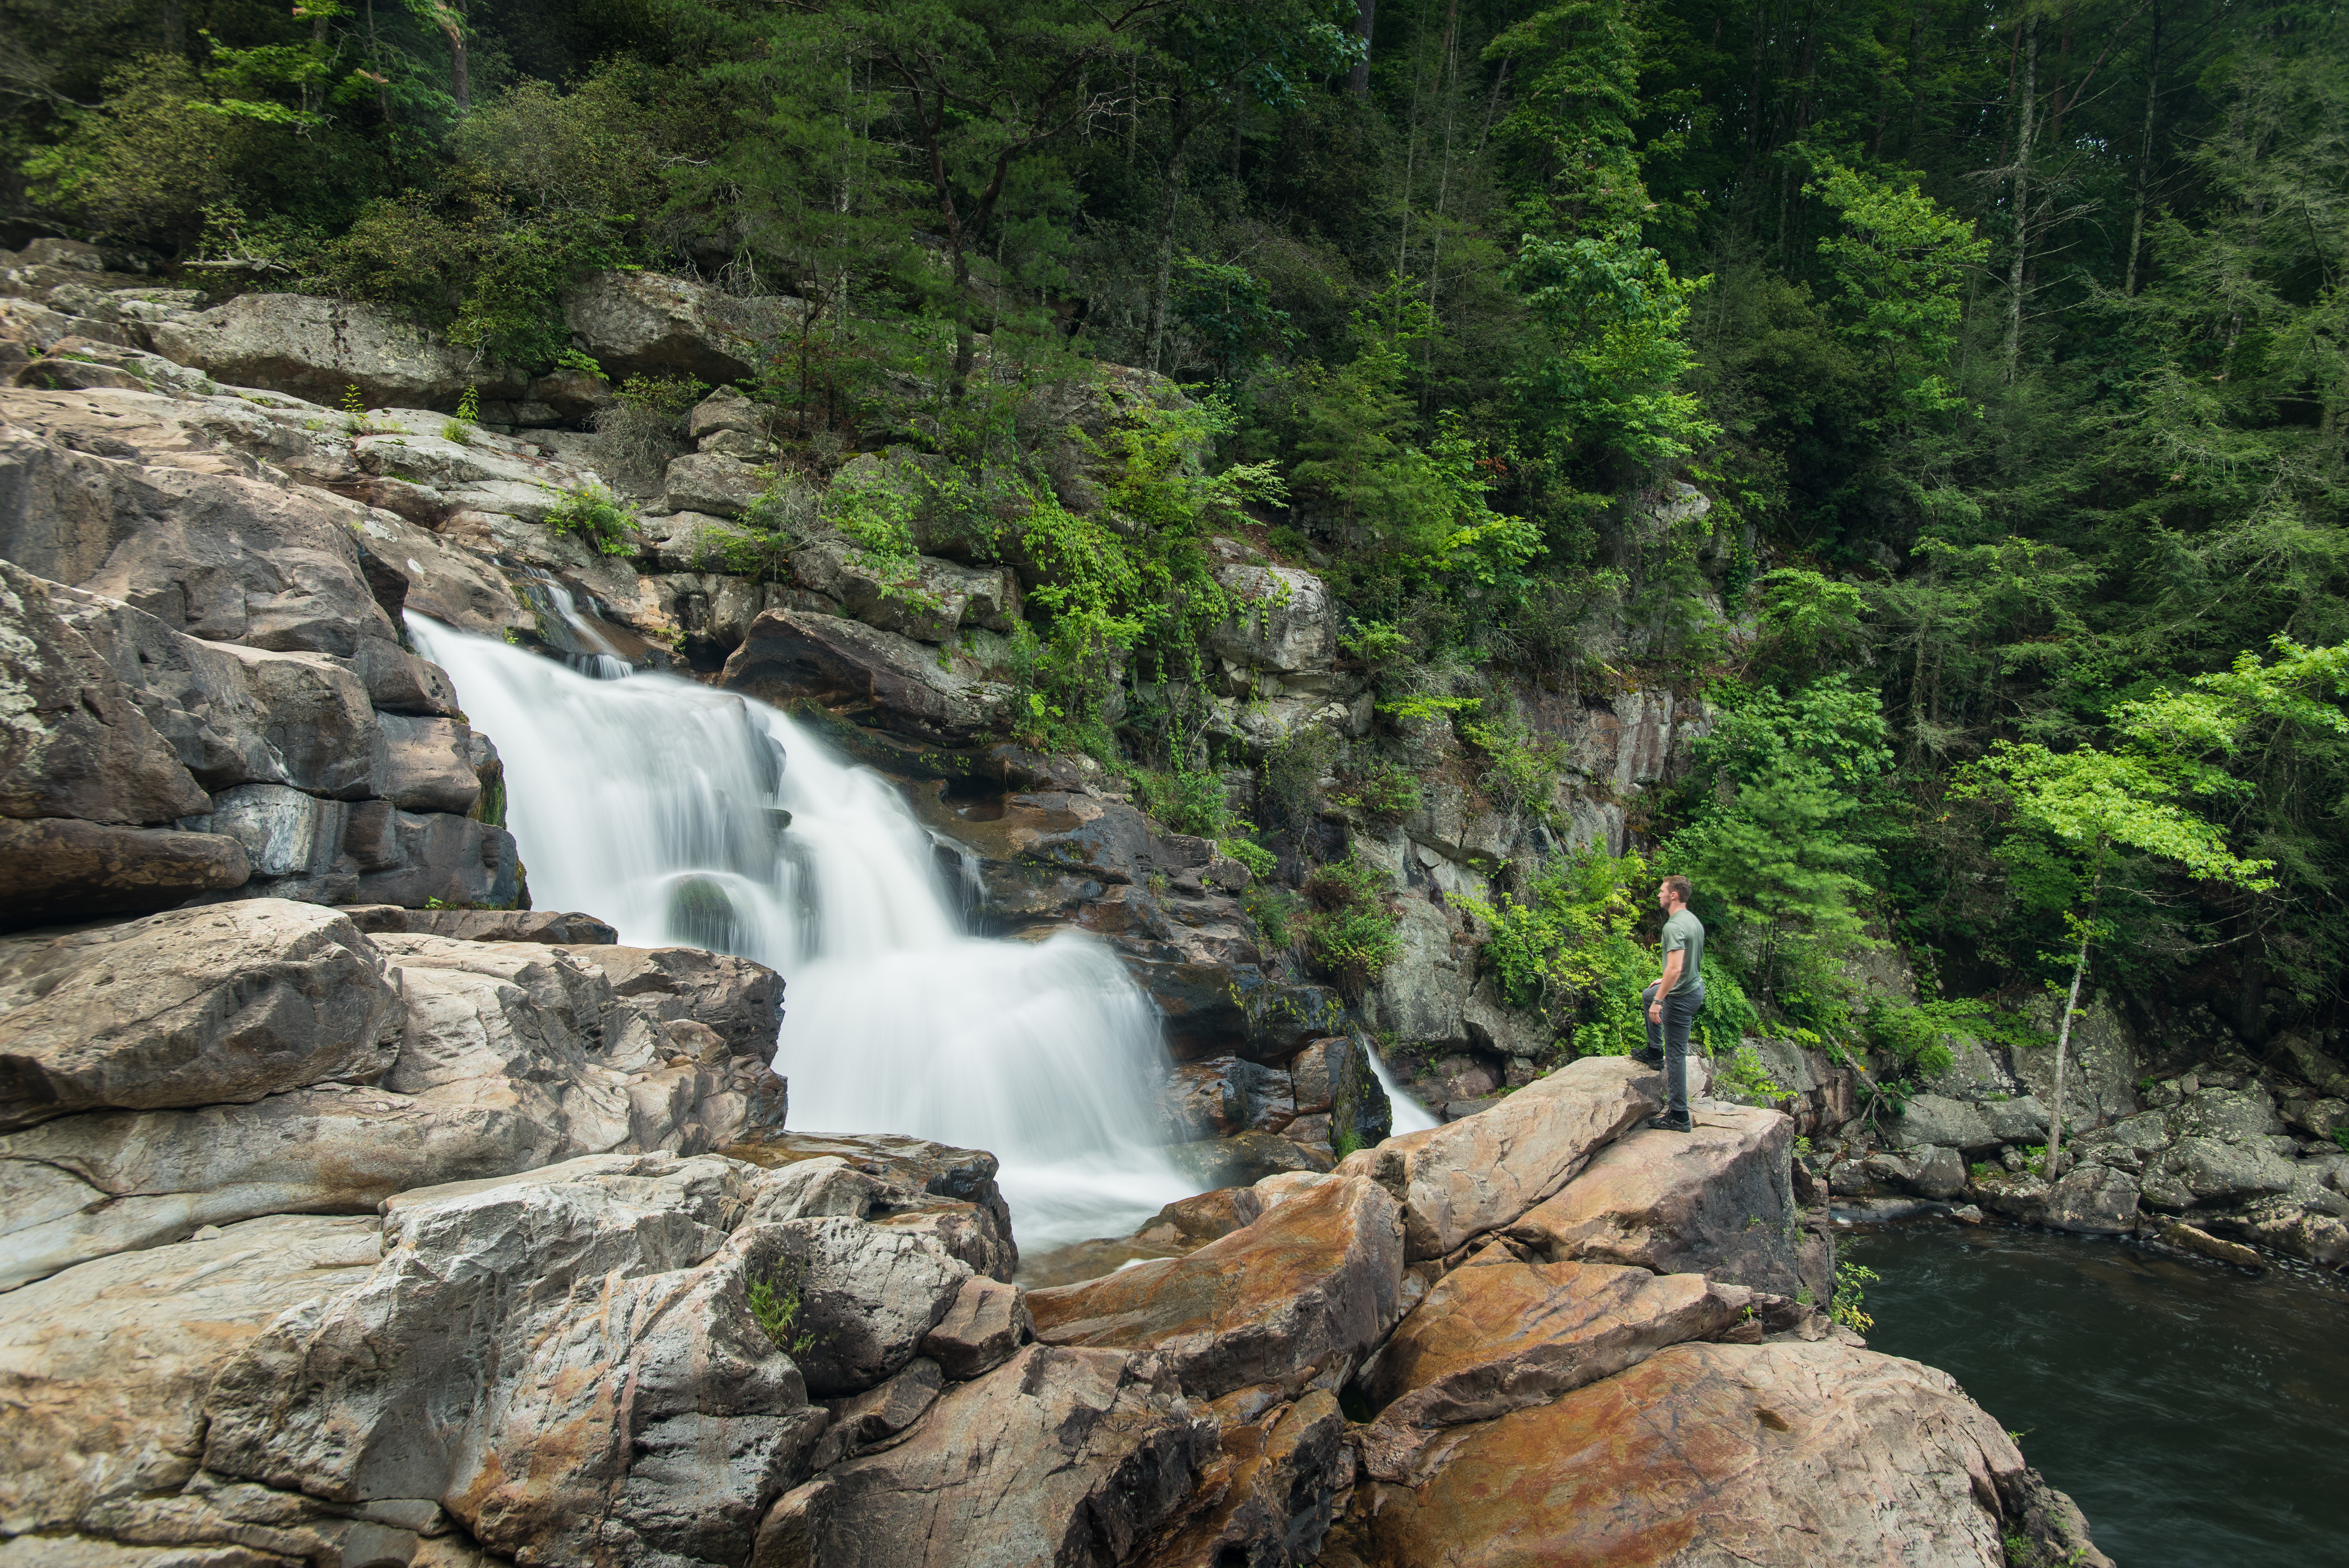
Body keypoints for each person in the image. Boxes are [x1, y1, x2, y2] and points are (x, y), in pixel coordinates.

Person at [1634, 875, 1705, 1132]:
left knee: (1676, 1055)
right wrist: (1663, 982)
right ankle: (1654, 1052)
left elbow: (1675, 968)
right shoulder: (1692, 921)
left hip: (1681, 997)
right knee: (1647, 994)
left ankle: (1678, 1115)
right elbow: (1687, 964)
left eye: (1663, 891)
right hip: (1693, 988)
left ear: (1674, 895)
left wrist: (1661, 1001)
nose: (1659, 895)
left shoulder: (1673, 927)